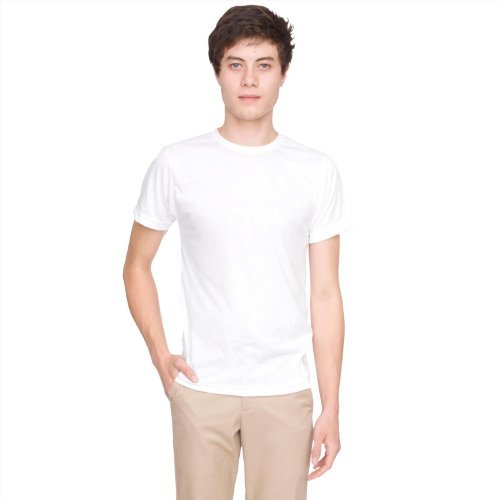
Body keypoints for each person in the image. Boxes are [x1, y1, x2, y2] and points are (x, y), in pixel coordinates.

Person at [123, 5, 349, 499]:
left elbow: (326, 294)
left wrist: (331, 406)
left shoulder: (315, 171)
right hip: (202, 389)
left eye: (263, 64)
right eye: (235, 64)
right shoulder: (177, 163)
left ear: (283, 73)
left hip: (284, 392)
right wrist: (161, 357)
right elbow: (136, 265)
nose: (249, 80)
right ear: (218, 72)